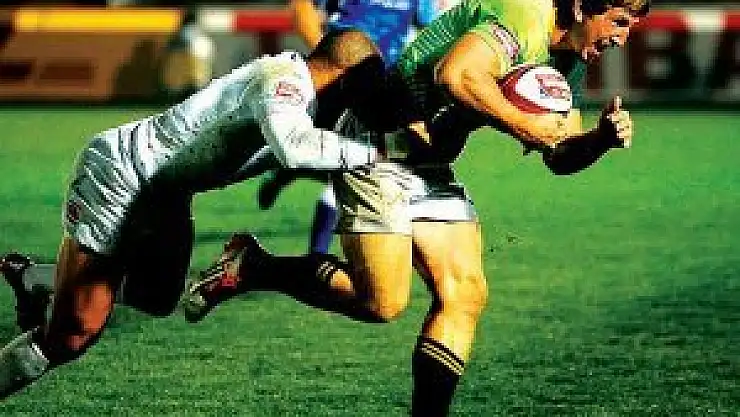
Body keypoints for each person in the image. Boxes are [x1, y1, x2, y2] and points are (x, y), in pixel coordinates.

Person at [183, 0, 648, 415]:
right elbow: (457, 75)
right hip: (376, 145)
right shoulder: (521, 13)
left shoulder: (569, 59)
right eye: (620, 21)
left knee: (465, 294)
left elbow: (559, 153)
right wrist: (526, 126)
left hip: (429, 160)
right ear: (584, 6)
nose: (622, 38)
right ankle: (255, 267)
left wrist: (599, 140)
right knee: (382, 304)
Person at [0, 29, 412, 399]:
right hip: (122, 175)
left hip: (167, 191)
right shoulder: (284, 82)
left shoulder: (299, 92)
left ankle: (36, 277)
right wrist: (383, 152)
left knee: (158, 297)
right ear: (345, 78)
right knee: (73, 335)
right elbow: (293, 147)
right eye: (361, 92)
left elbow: (300, 150)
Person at [258, 0, 457, 255]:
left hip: (385, 85)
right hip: (341, 80)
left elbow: (430, 24)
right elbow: (301, 8)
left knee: (353, 163)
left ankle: (288, 176)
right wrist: (326, 54)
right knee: (353, 166)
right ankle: (317, 257)